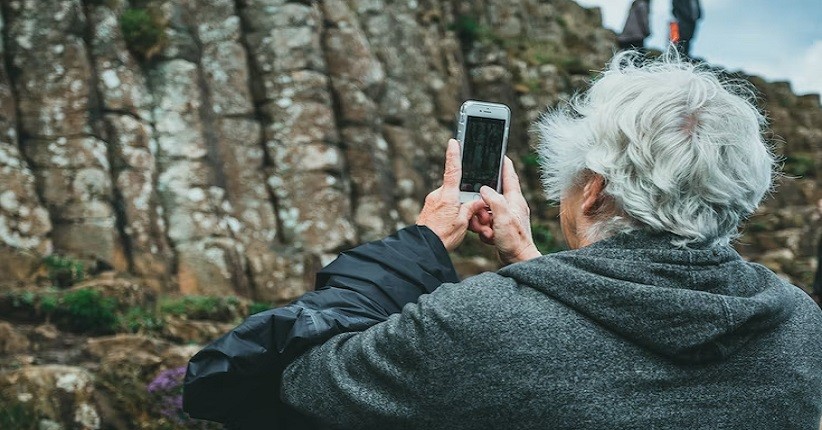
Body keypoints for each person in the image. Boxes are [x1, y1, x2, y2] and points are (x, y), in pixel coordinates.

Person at [184, 49, 822, 429]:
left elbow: (279, 382)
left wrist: (420, 244)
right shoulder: (800, 328)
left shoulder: (477, 327)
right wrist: (532, 265)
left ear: (594, 191)